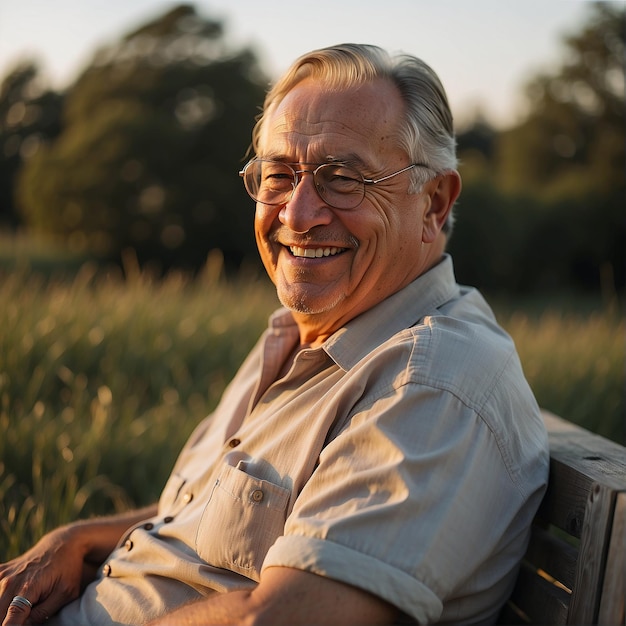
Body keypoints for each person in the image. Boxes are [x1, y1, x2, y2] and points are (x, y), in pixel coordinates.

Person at [0, 43, 549, 626]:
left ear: (434, 204)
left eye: (343, 178)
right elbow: (212, 519)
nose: (296, 213)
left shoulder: (431, 382)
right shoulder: (310, 339)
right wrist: (79, 539)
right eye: (279, 175)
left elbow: (283, 617)